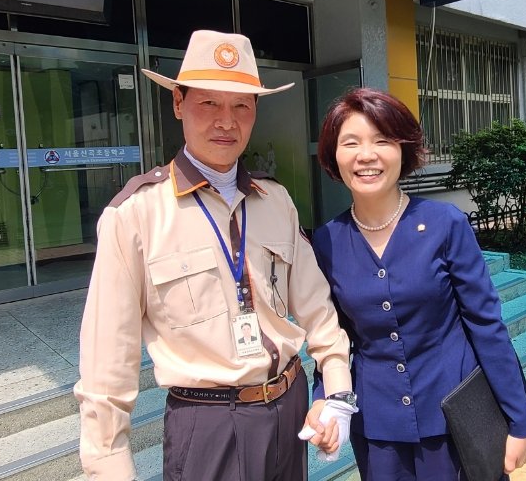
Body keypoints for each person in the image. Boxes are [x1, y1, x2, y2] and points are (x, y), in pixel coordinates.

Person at [74, 30, 356, 481]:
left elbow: (317, 308)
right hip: (208, 423)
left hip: (290, 409)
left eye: (241, 105)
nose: (226, 121)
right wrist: (109, 468)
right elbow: (106, 364)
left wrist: (337, 389)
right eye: (208, 103)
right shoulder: (135, 215)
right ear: (178, 103)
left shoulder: (275, 200)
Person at [309, 87, 526, 480]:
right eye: (351, 142)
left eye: (382, 140)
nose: (366, 155)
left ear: (403, 149)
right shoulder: (327, 240)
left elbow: (486, 325)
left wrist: (519, 421)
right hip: (378, 429)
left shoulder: (445, 224)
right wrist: (324, 399)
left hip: (455, 418)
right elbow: (331, 335)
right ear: (333, 155)